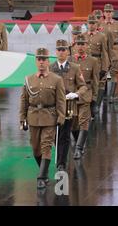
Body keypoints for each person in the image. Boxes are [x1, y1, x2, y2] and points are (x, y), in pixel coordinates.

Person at [20, 47, 65, 189]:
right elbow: (24, 100)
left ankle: (41, 177)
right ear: (35, 61)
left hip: (49, 117)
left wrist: (61, 116)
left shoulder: (57, 79)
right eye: (39, 59)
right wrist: (22, 118)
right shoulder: (28, 79)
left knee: (46, 146)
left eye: (44, 59)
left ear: (48, 61)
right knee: (35, 148)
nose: (41, 62)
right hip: (33, 117)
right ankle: (43, 171)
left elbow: (61, 100)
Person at [50, 39, 87, 171]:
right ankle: (60, 157)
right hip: (52, 107)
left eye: (63, 50)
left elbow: (83, 86)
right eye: (59, 50)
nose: (61, 52)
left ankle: (61, 163)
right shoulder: (50, 68)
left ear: (68, 52)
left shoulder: (74, 68)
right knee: (55, 135)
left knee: (65, 135)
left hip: (68, 107)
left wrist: (76, 94)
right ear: (56, 52)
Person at [68, 35, 99, 160]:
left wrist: (95, 99)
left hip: (86, 94)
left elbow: (95, 81)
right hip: (73, 95)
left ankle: (79, 149)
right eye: (78, 44)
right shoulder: (69, 60)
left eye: (83, 44)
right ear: (74, 46)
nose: (80, 47)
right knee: (74, 124)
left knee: (83, 122)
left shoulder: (93, 61)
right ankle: (79, 142)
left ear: (87, 45)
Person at [99, 4, 118, 103]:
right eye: (106, 11)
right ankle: (101, 97)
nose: (108, 13)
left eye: (110, 12)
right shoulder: (100, 24)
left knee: (114, 73)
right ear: (104, 13)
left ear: (113, 13)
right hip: (104, 51)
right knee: (102, 74)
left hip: (115, 50)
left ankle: (111, 96)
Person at [83, 14, 109, 116]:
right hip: (86, 63)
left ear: (96, 24)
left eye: (93, 23)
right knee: (86, 84)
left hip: (97, 62)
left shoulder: (101, 36)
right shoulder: (83, 36)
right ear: (87, 24)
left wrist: (104, 68)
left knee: (97, 84)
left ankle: (96, 104)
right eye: (89, 23)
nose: (91, 25)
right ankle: (87, 104)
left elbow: (105, 53)